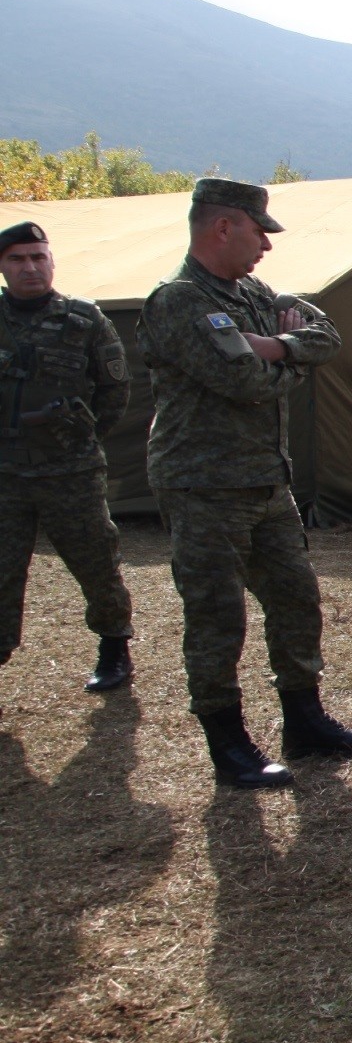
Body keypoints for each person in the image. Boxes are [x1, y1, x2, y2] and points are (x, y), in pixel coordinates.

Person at [141, 178, 352, 786]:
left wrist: (273, 345)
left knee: (297, 600)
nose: (266, 247)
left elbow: (326, 336)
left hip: (266, 482)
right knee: (218, 615)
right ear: (224, 227)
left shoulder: (252, 292)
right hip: (203, 485)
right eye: (257, 232)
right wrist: (291, 360)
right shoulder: (178, 301)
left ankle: (304, 721)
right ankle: (228, 744)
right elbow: (243, 384)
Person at [0, 220, 134, 694]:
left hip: (70, 472)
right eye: (17, 259)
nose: (30, 267)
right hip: (4, 477)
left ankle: (114, 644)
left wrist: (84, 435)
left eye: (38, 257)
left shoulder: (84, 320)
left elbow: (115, 388)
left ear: (52, 262)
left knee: (95, 562)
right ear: (3, 266)